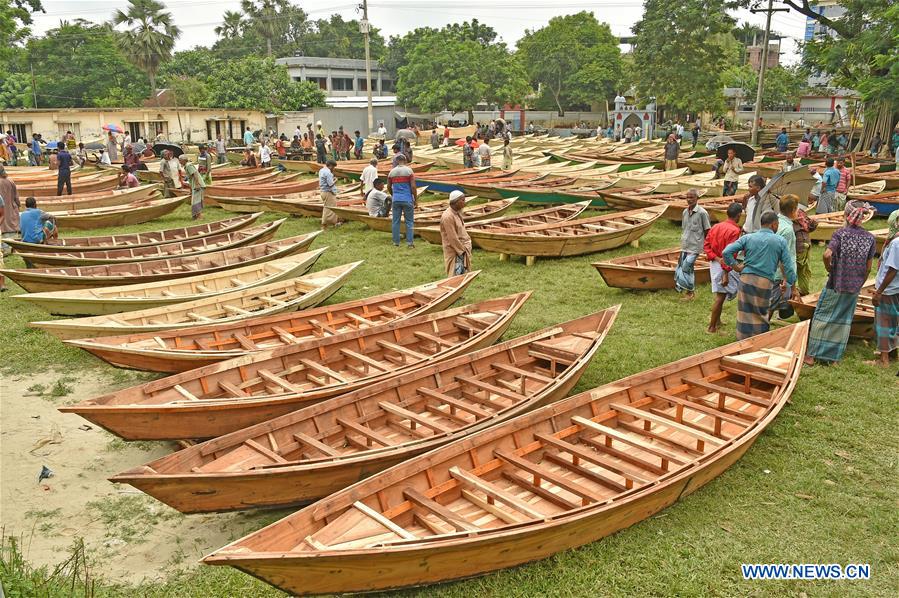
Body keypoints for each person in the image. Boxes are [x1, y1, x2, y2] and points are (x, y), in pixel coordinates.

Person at [805, 202, 876, 365]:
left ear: (846, 215)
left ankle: (812, 355)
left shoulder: (840, 234)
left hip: (836, 284)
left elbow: (826, 255)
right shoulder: (870, 238)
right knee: (843, 321)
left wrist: (829, 269)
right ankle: (833, 358)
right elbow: (868, 267)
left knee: (823, 316)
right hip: (854, 286)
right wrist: (860, 282)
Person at [723, 211, 798, 340]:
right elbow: (788, 265)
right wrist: (789, 283)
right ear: (774, 224)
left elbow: (726, 252)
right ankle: (759, 341)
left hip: (745, 279)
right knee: (761, 313)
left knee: (744, 313)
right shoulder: (780, 241)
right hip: (764, 281)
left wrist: (736, 266)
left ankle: (742, 341)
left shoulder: (748, 237)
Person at [704, 202, 743, 333]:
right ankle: (711, 327)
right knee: (720, 297)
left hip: (714, 263)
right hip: (724, 266)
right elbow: (730, 254)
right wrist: (726, 272)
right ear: (739, 215)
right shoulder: (735, 230)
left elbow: (707, 246)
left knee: (719, 294)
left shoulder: (716, 226)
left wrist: (716, 258)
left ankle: (718, 321)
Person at [872, 210, 899, 366]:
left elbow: (892, 269)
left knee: (884, 322)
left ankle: (884, 359)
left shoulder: (896, 243)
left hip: (889, 288)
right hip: (896, 287)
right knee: (894, 320)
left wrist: (879, 291)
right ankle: (893, 352)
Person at [675, 189, 711, 300]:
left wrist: (707, 247)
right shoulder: (685, 212)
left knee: (687, 267)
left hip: (696, 246)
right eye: (688, 197)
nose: (689, 200)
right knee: (683, 267)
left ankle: (690, 293)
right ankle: (688, 291)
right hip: (685, 245)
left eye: (692, 197)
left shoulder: (702, 213)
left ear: (697, 198)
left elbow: (707, 231)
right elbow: (684, 229)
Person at [768, 195, 799, 319]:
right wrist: (788, 280)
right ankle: (760, 332)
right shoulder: (787, 230)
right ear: (793, 210)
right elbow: (784, 258)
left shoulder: (776, 223)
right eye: (797, 209)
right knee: (771, 306)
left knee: (771, 304)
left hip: (772, 269)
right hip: (780, 274)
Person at [387, 154, 417, 247]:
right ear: (405, 160)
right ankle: (410, 243)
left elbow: (388, 186)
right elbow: (413, 186)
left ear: (396, 161)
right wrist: (415, 199)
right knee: (409, 221)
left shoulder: (391, 172)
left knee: (395, 221)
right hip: (407, 199)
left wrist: (393, 194)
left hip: (396, 199)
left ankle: (396, 242)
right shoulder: (409, 171)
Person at [440, 190, 472, 276]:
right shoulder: (448, 216)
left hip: (461, 250)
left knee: (463, 277)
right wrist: (462, 251)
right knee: (455, 278)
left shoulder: (457, 212)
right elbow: (452, 238)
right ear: (456, 202)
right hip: (456, 251)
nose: (464, 203)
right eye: (463, 200)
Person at [793, 205, 819, 295]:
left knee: (798, 269)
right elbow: (809, 227)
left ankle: (801, 291)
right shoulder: (800, 213)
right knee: (803, 271)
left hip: (799, 246)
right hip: (805, 245)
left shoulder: (792, 215)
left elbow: (810, 227)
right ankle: (803, 291)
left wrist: (814, 222)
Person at [0, 166, 19, 257]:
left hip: (2, 209)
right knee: (11, 227)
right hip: (11, 208)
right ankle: (11, 248)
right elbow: (16, 197)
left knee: (3, 227)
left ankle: (5, 248)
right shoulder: (10, 181)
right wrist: (18, 206)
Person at [181, 155, 206, 220]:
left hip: (198, 185)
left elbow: (195, 174)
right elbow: (191, 178)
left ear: (183, 160)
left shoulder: (189, 166)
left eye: (180, 160)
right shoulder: (187, 166)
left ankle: (199, 217)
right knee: (195, 201)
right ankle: (196, 216)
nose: (179, 161)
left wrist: (197, 184)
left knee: (196, 201)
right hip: (195, 185)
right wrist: (191, 189)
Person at [319, 159, 340, 229]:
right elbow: (330, 184)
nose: (333, 169)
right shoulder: (328, 172)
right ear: (330, 166)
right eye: (333, 167)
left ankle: (333, 222)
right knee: (329, 208)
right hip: (328, 192)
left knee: (328, 207)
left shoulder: (321, 170)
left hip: (323, 191)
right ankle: (324, 224)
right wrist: (335, 180)